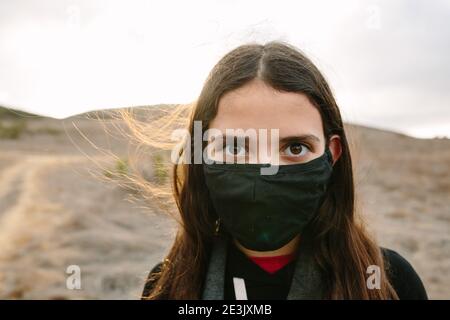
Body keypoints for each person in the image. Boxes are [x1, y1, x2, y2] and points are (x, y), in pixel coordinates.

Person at [140, 41, 427, 300]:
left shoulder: (391, 284)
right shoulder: (166, 285)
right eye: (235, 148)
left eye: (295, 147)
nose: (265, 172)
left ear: (332, 154)